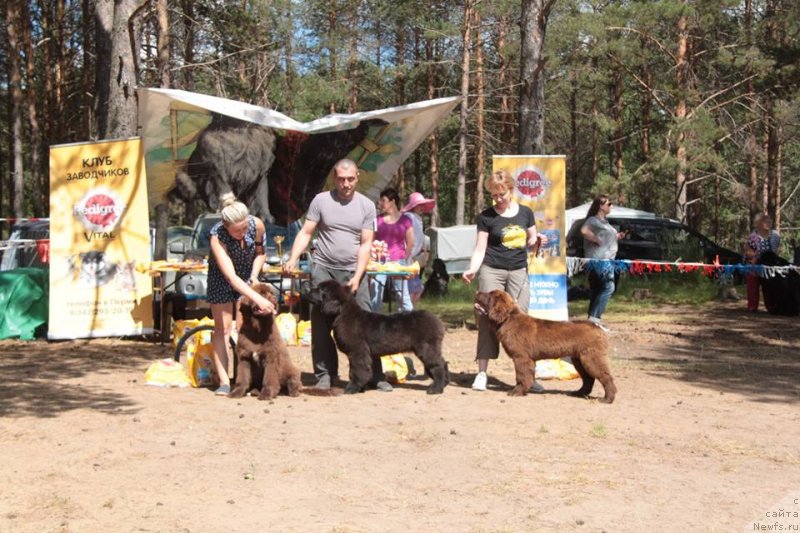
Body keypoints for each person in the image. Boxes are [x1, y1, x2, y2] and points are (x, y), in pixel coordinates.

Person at [283, 159, 392, 391]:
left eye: (350, 179)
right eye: (341, 179)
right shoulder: (320, 201)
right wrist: (292, 258)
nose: (346, 184)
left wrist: (358, 276)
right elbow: (306, 232)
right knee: (320, 323)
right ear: (334, 178)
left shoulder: (366, 206)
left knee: (367, 324)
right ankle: (325, 375)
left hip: (354, 271)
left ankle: (375, 375)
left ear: (357, 177)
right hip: (324, 269)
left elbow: (366, 243)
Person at [462, 169, 543, 392]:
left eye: (502, 194)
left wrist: (537, 240)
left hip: (518, 271)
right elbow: (480, 248)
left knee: (523, 322)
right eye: (494, 195)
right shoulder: (486, 217)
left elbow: (531, 240)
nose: (498, 199)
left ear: (511, 190)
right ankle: (482, 373)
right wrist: (472, 269)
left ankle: (528, 377)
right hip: (492, 270)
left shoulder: (526, 213)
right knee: (487, 318)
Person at [206, 192, 276, 396]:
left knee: (243, 329)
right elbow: (231, 278)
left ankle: (244, 380)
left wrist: (254, 275)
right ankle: (223, 382)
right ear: (226, 226)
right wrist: (257, 298)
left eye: (245, 228)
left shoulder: (257, 225)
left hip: (247, 275)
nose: (243, 233)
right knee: (224, 329)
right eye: (237, 231)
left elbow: (261, 253)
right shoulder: (217, 236)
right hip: (222, 279)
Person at [580, 194, 625, 325]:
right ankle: (594, 319)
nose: (611, 206)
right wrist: (596, 239)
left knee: (597, 289)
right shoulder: (593, 220)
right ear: (600, 206)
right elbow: (584, 231)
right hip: (600, 261)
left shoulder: (605, 222)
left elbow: (606, 237)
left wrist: (617, 236)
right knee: (609, 287)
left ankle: (591, 322)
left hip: (604, 261)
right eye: (609, 204)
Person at [370, 187, 414, 312]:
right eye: (380, 201)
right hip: (379, 262)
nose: (380, 204)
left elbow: (410, 242)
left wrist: (404, 257)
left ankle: (410, 320)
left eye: (383, 200)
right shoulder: (377, 220)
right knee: (375, 296)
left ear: (393, 201)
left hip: (398, 261)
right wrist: (372, 258)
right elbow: (371, 240)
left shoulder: (406, 220)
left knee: (402, 295)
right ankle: (374, 321)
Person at [402, 191, 436, 304]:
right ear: (413, 206)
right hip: (407, 258)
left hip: (414, 258)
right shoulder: (408, 217)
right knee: (411, 289)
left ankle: (409, 310)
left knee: (418, 288)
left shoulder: (417, 218)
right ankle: (406, 311)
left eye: (422, 205)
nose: (421, 207)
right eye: (419, 205)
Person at [744, 213, 781, 312]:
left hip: (769, 265)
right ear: (758, 224)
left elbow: (777, 249)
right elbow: (747, 251)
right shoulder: (753, 236)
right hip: (754, 264)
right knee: (752, 285)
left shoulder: (775, 235)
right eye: (765, 221)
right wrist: (754, 256)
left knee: (770, 287)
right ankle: (752, 307)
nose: (768, 223)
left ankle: (771, 306)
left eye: (769, 221)